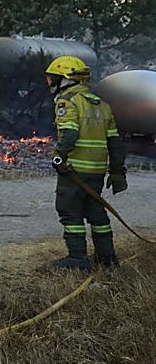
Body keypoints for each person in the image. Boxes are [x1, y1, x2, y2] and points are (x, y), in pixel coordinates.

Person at [45, 55, 126, 271]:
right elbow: (115, 142)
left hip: (74, 170)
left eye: (53, 79)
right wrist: (118, 172)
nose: (50, 83)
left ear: (67, 80)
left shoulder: (68, 102)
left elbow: (69, 133)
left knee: (69, 212)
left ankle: (77, 260)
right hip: (96, 172)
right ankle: (106, 258)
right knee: (96, 213)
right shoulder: (102, 106)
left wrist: (59, 156)